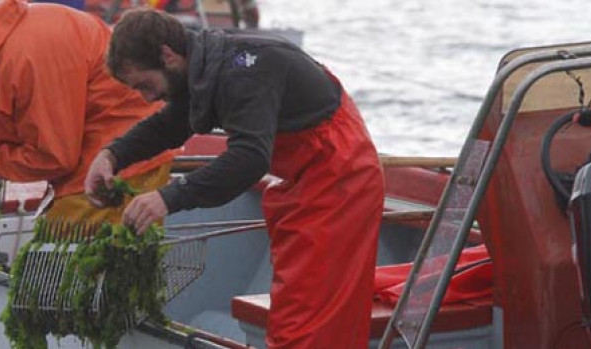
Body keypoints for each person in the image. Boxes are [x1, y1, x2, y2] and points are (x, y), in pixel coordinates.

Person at [84, 8, 384, 348]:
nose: (147, 98)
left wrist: (169, 197)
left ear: (167, 55)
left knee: (309, 318)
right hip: (302, 179)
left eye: (145, 85)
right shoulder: (205, 65)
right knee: (294, 308)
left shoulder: (243, 72)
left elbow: (249, 159)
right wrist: (112, 155)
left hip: (339, 177)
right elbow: (171, 123)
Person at [0, 0, 175, 231]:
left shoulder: (28, 60)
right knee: (52, 261)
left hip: (123, 152)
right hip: (76, 157)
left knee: (70, 266)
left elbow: (54, 157)